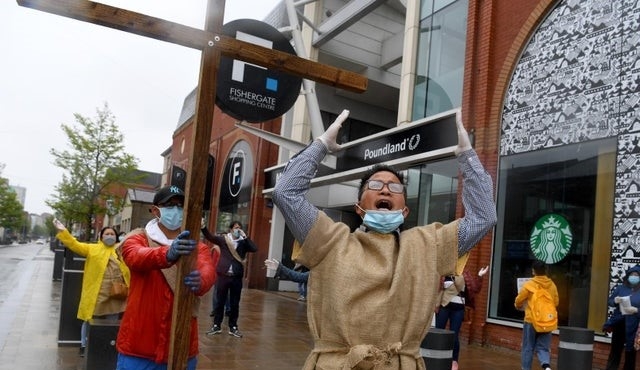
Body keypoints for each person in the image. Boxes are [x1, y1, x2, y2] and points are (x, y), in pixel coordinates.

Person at [271, 109, 497, 369]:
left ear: (405, 210)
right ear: (358, 207)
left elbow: (483, 217)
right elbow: (285, 192)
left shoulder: (428, 245)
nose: (386, 189)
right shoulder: (329, 239)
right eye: (375, 185)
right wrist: (321, 146)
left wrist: (467, 157)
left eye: (395, 187)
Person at [115, 185, 218, 370]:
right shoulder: (138, 238)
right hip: (139, 347)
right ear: (156, 210)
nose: (176, 210)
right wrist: (167, 254)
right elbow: (135, 255)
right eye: (170, 205)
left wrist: (201, 279)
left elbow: (207, 268)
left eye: (180, 206)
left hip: (181, 346)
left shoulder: (196, 245)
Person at [53, 221, 130, 357]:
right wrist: (63, 231)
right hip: (97, 293)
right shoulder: (92, 248)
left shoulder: (121, 249)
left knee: (113, 321)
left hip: (116, 294)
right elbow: (74, 244)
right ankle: (84, 344)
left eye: (112, 234)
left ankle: (108, 344)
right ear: (101, 236)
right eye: (107, 234)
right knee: (89, 320)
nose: (110, 236)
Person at [204, 221, 258, 338]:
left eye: (239, 228)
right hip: (223, 275)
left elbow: (254, 248)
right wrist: (203, 227)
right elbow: (210, 237)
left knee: (235, 303)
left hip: (236, 277)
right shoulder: (224, 240)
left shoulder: (243, 242)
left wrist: (245, 237)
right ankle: (216, 325)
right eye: (235, 228)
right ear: (230, 229)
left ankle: (233, 327)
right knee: (220, 302)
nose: (237, 230)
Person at [435, 265, 488, 370]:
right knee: (439, 332)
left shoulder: (465, 274)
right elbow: (437, 289)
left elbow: (475, 288)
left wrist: (480, 276)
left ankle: (454, 361)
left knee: (454, 335)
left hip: (458, 309)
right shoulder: (444, 273)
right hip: (444, 306)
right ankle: (437, 357)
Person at [514, 260, 559, 370]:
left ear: (533, 271)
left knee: (528, 347)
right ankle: (546, 366)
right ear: (545, 271)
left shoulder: (529, 285)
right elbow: (556, 302)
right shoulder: (552, 285)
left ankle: (526, 368)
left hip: (531, 320)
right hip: (547, 321)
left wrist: (517, 305)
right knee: (543, 347)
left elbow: (519, 300)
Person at [605, 265, 640, 370]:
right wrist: (615, 300)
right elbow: (610, 301)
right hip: (619, 323)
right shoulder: (621, 288)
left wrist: (636, 310)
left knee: (630, 353)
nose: (634, 276)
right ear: (628, 275)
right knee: (615, 351)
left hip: (633, 325)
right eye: (632, 274)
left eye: (637, 275)